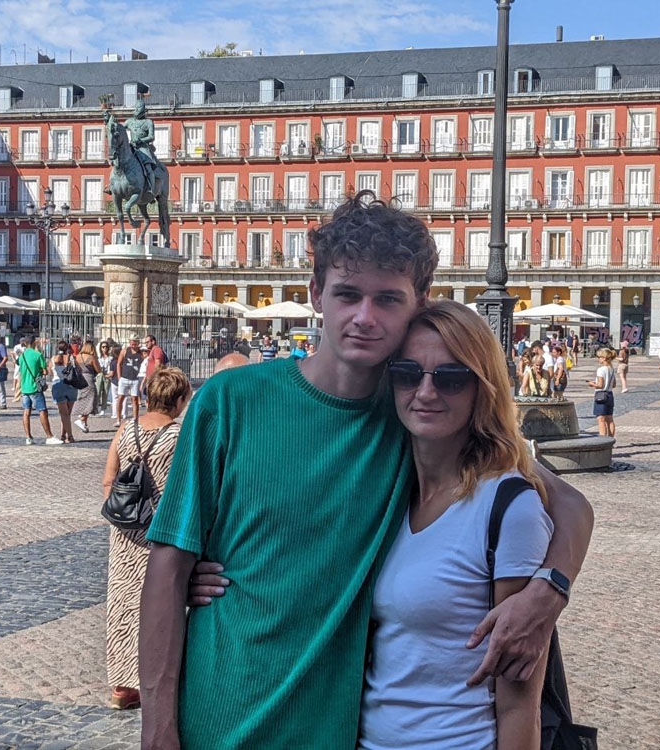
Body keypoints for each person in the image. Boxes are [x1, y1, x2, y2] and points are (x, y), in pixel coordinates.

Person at [139, 193, 594, 750]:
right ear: (316, 294)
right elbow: (168, 565)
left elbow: (568, 503)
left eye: (387, 299)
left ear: (419, 302)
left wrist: (548, 594)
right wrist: (157, 727)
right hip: (218, 718)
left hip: (338, 731)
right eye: (348, 294)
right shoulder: (230, 401)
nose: (365, 317)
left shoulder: (419, 410)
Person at [359, 300, 553, 749]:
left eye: (450, 378)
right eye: (408, 373)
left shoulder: (508, 508)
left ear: (481, 388)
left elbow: (519, 705)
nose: (426, 392)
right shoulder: (386, 492)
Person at [103, 367, 191, 711]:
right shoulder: (179, 435)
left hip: (124, 533)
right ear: (179, 400)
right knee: (160, 607)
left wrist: (125, 518)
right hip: (161, 532)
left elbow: (109, 480)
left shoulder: (126, 428)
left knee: (122, 604)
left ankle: (121, 687)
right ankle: (154, 683)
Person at [18, 335, 60, 446]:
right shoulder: (37, 355)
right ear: (34, 343)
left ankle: (28, 437)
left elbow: (20, 370)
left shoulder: (22, 356)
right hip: (35, 387)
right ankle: (49, 436)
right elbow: (45, 371)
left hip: (25, 387)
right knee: (42, 411)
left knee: (26, 412)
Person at [72, 340, 102, 434]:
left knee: (83, 398)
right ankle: (82, 419)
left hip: (80, 379)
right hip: (89, 379)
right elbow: (99, 370)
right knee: (90, 401)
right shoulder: (91, 358)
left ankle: (84, 423)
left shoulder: (78, 357)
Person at [51, 340, 78, 443]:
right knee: (68, 414)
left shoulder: (53, 359)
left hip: (58, 385)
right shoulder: (72, 358)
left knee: (63, 414)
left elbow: (50, 373)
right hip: (71, 385)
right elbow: (78, 370)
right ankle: (63, 435)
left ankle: (69, 436)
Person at [588, 347, 617, 437]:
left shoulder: (601, 369)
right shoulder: (611, 369)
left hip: (601, 394)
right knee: (609, 419)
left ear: (604, 358)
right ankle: (611, 438)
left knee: (601, 419)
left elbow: (600, 385)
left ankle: (603, 439)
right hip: (609, 394)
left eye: (599, 357)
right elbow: (614, 384)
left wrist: (592, 384)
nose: (598, 359)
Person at [116, 336, 143, 428]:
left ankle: (135, 419)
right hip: (124, 377)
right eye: (131, 342)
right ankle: (118, 419)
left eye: (135, 343)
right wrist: (119, 377)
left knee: (134, 399)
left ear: (138, 343)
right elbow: (119, 363)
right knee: (120, 398)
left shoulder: (141, 353)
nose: (133, 345)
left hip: (135, 378)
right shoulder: (124, 351)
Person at [96, 341, 114, 415]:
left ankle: (103, 408)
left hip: (107, 375)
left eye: (106, 347)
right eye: (103, 347)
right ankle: (96, 407)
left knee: (105, 392)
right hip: (100, 375)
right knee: (98, 391)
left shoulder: (110, 358)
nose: (105, 348)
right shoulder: (99, 357)